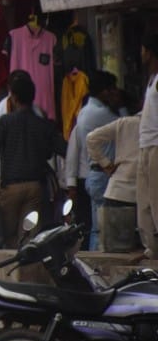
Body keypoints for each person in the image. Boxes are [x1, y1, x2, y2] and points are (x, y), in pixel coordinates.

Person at [0, 76, 67, 247]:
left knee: (9, 236)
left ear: (14, 97)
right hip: (36, 188)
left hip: (10, 188)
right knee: (29, 236)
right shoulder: (43, 124)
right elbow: (63, 149)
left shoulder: (5, 122)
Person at [65, 71, 120, 250]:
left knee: (97, 226)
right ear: (104, 91)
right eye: (112, 90)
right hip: (101, 175)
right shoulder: (99, 113)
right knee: (102, 228)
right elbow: (127, 124)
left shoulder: (84, 112)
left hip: (94, 175)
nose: (115, 94)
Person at [87, 114, 142, 252]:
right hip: (144, 195)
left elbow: (91, 138)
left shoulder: (125, 123)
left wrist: (106, 164)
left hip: (118, 192)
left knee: (114, 250)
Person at [139, 33, 158, 257]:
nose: (141, 53)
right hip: (145, 143)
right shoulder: (151, 79)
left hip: (155, 144)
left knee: (155, 198)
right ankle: (151, 247)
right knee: (144, 201)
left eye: (143, 49)